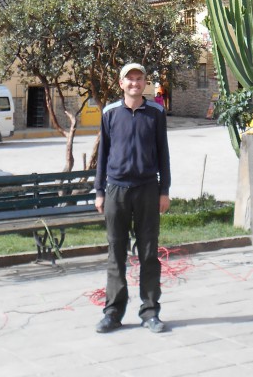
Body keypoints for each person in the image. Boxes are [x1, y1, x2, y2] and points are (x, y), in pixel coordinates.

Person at [94, 62, 171, 335]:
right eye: (130, 79)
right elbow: (102, 154)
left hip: (148, 190)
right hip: (116, 190)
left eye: (139, 79)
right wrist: (100, 191)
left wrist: (165, 191)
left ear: (145, 84)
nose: (135, 83)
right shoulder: (110, 113)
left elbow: (163, 153)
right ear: (121, 84)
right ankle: (113, 312)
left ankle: (150, 312)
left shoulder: (156, 113)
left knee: (149, 253)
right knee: (116, 253)